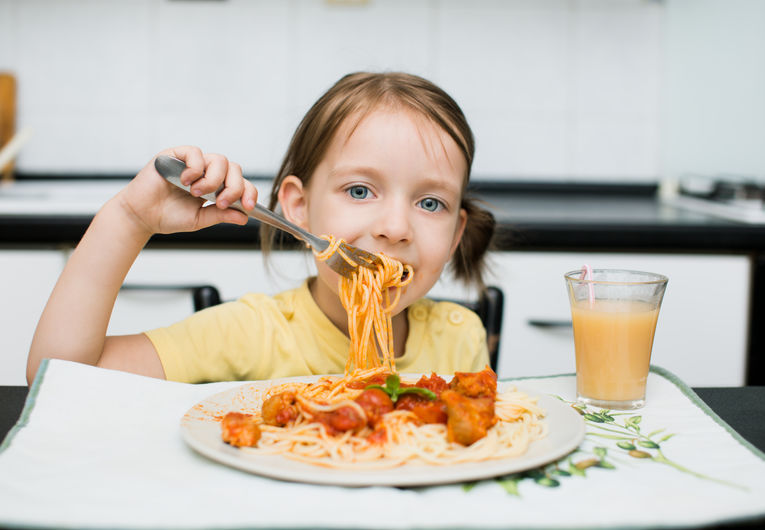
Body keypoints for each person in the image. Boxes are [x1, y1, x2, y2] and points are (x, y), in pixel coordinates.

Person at [26, 72, 495, 385]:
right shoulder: (249, 334)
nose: (395, 229)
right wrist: (129, 219)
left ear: (455, 234)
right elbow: (60, 378)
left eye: (430, 202)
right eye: (359, 191)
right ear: (299, 207)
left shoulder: (460, 337)